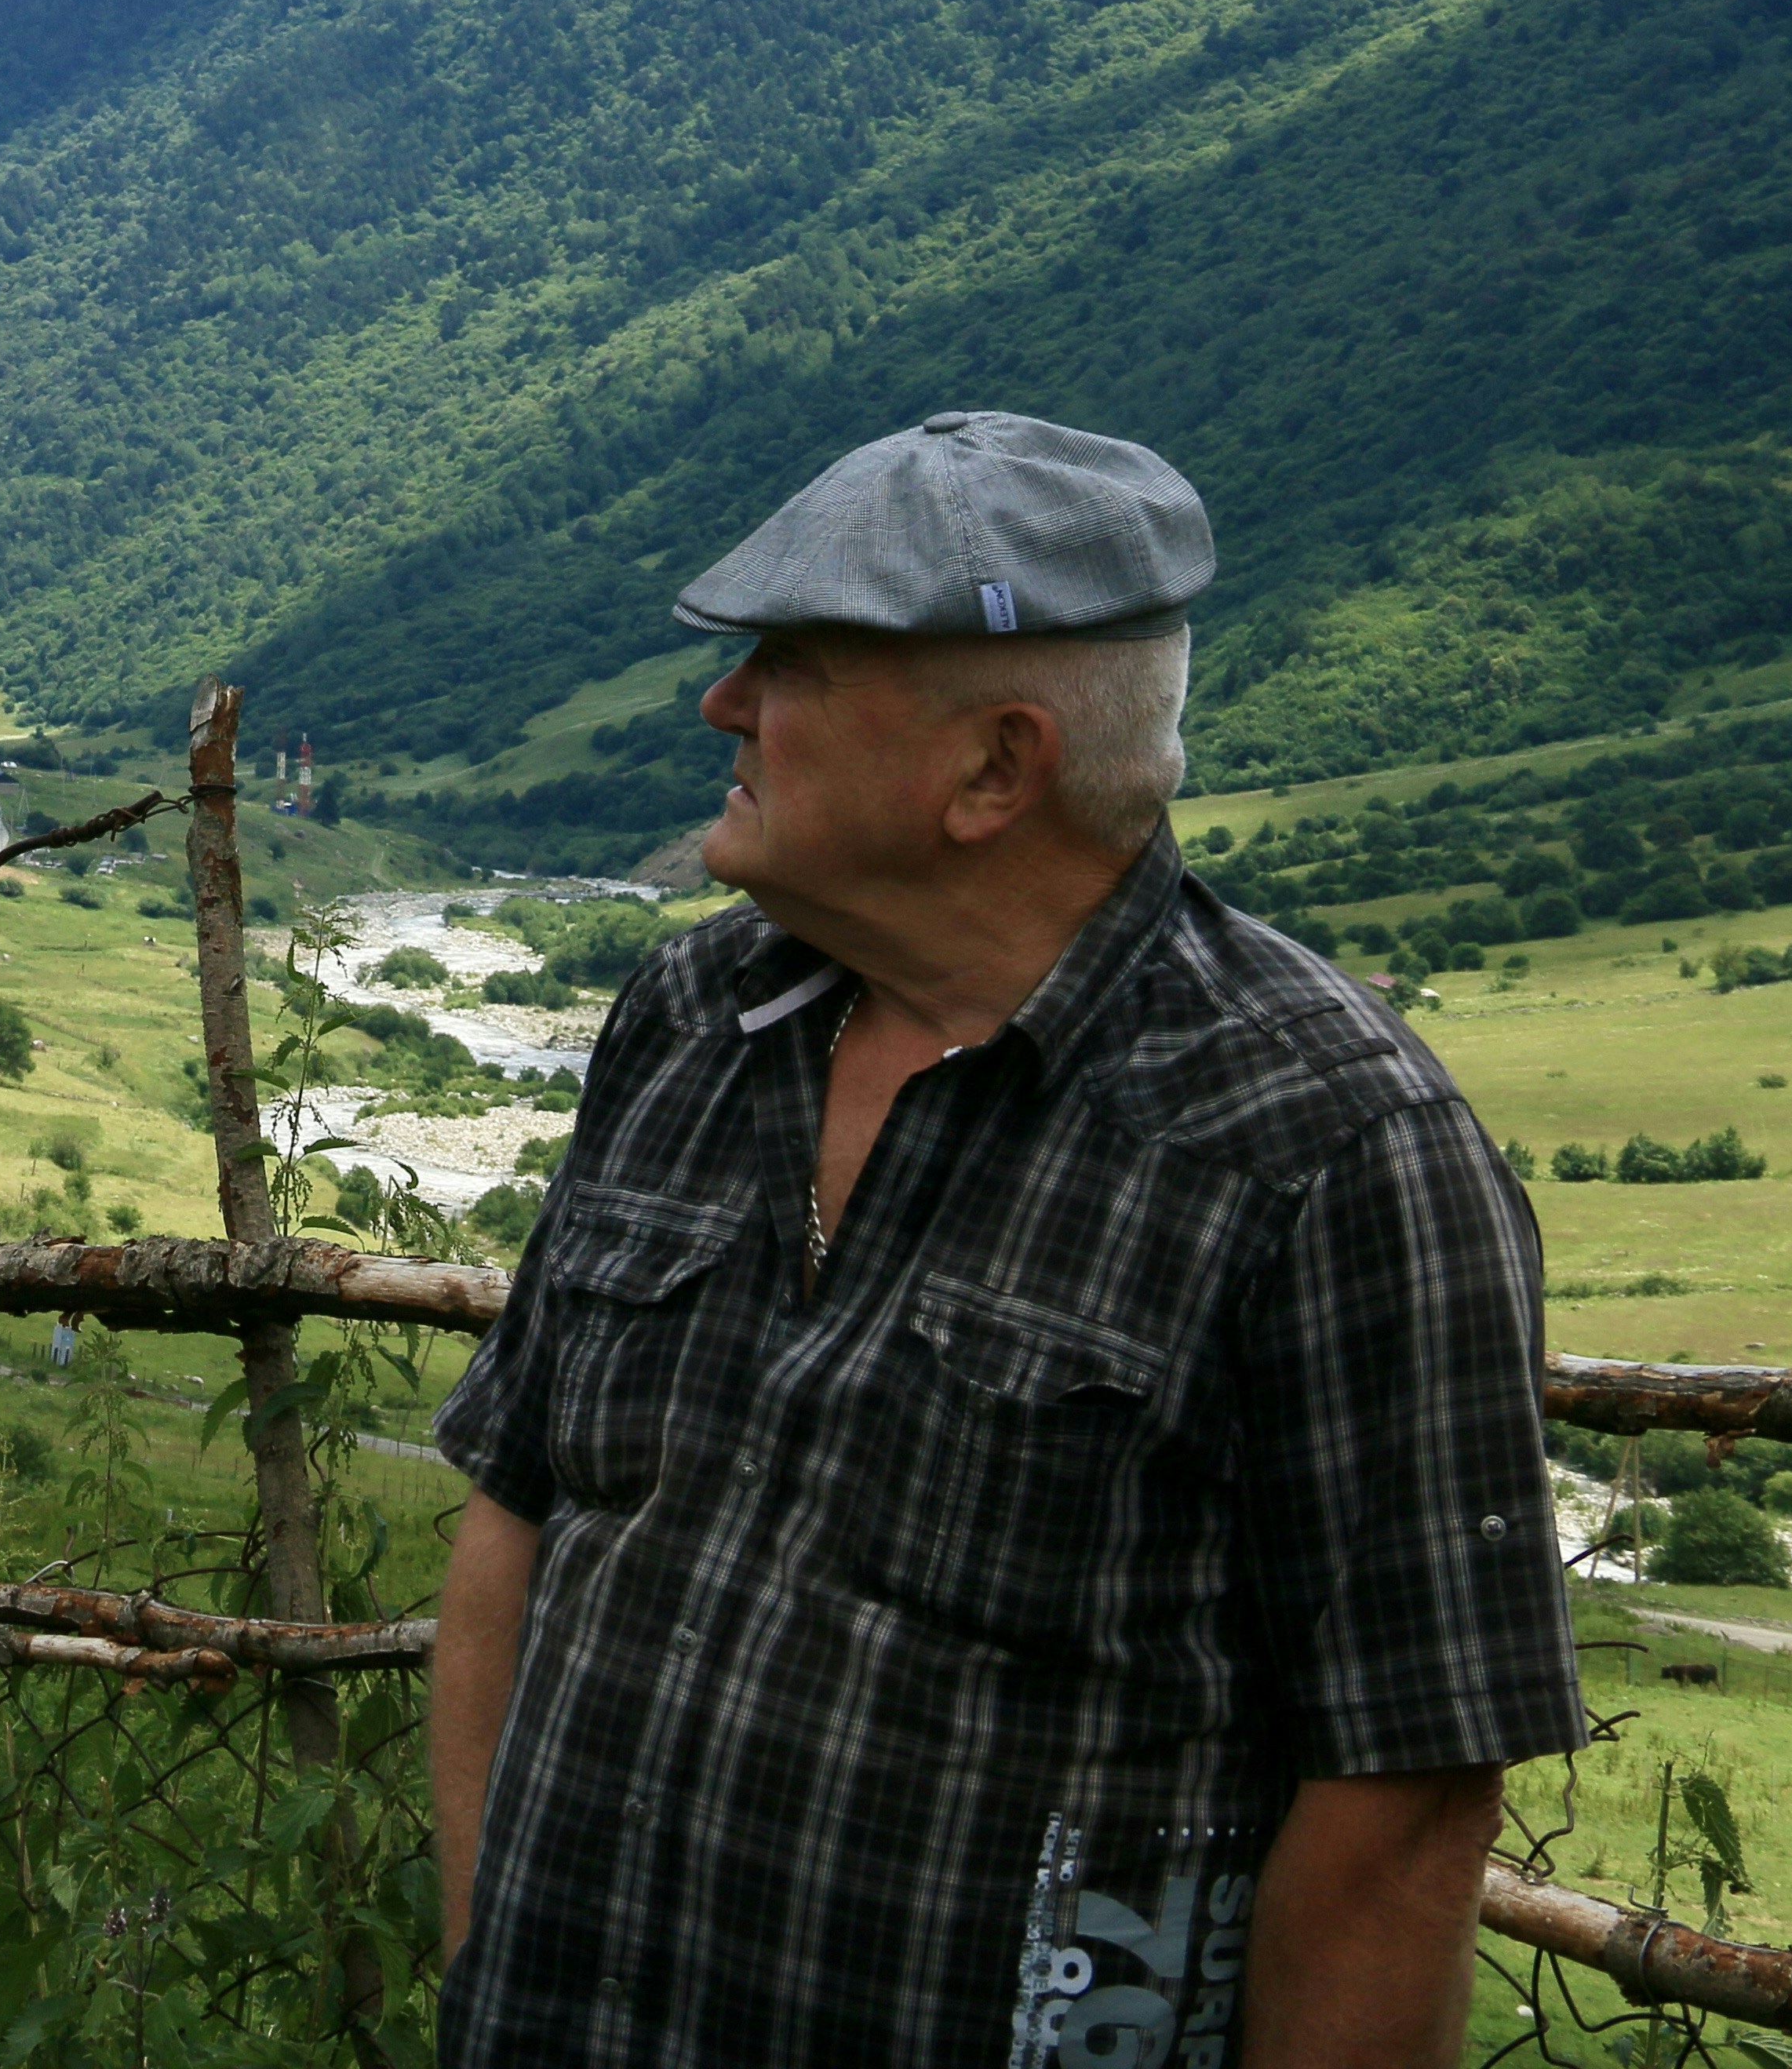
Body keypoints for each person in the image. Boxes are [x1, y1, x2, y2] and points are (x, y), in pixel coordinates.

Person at [428, 410, 1580, 2067]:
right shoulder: (689, 1018)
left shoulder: (1327, 1153)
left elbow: (1401, 1806)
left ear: (996, 767)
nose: (723, 703)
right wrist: (483, 1981)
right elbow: (518, 1521)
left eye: (794, 665)